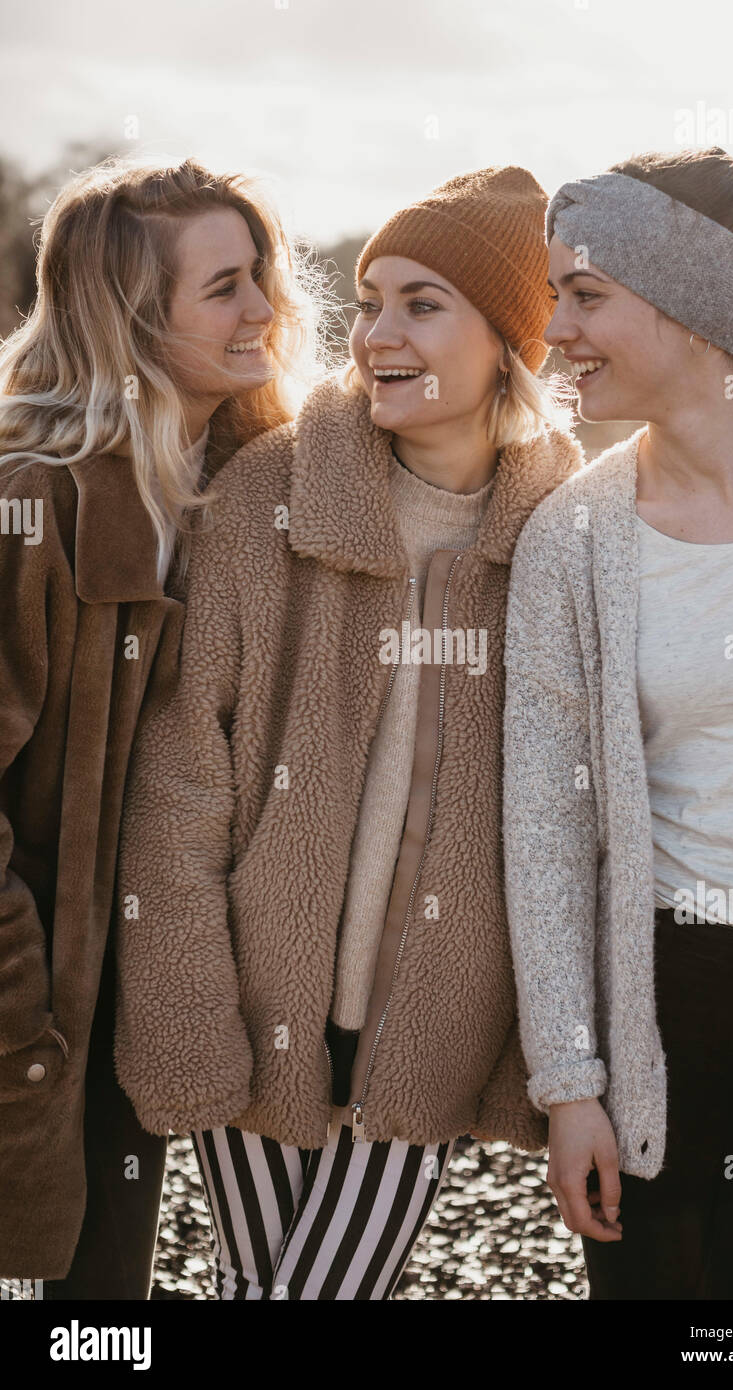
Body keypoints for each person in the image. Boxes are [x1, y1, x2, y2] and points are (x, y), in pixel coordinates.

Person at [114, 165, 584, 1300]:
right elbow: (183, 784)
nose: (376, 332)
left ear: (510, 342)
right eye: (370, 300)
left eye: (423, 304)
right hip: (251, 1002)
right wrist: (187, 1018)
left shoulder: (567, 534)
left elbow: (578, 809)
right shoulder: (264, 499)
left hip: (435, 1020)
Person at [503, 127, 733, 1299]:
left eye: (585, 295)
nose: (552, 330)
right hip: (667, 1019)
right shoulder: (572, 535)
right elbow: (543, 827)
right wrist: (568, 1085)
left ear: (692, 300)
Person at [0, 154, 320, 1298]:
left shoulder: (248, 490)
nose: (263, 310)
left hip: (137, 1031)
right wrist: (22, 1038)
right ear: (131, 323)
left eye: (261, 274)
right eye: (224, 287)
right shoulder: (29, 506)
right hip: (34, 1032)